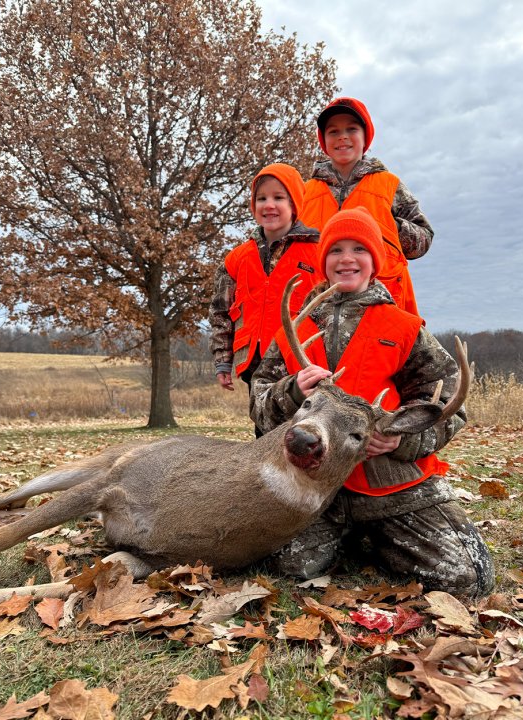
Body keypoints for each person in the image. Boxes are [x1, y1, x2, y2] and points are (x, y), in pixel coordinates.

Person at [249, 208, 493, 598]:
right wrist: (291, 390)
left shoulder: (403, 327)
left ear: (375, 261)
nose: (347, 259)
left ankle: (375, 537)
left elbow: (446, 399)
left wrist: (403, 439)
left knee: (467, 578)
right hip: (315, 488)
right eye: (336, 250)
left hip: (389, 486)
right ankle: (350, 537)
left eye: (359, 249)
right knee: (287, 569)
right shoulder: (295, 328)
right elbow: (260, 401)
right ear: (323, 260)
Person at [299, 97, 433, 316]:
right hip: (317, 313)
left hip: (382, 311)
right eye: (333, 131)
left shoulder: (389, 185)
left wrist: (389, 227)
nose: (342, 136)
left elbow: (423, 241)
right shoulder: (305, 194)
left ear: (365, 137)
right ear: (324, 141)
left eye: (351, 129)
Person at [209, 163, 321, 398]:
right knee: (263, 431)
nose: (269, 205)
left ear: (294, 204)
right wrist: (223, 361)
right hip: (255, 364)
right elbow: (220, 313)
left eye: (278, 197)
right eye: (261, 198)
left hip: (300, 365)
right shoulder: (237, 258)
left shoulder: (319, 252)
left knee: (299, 431)